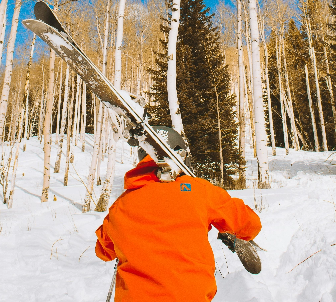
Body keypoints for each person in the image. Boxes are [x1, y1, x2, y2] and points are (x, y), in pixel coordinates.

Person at [95, 126, 261, 302]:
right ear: (181, 155)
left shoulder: (120, 206)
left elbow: (103, 251)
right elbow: (250, 224)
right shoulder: (199, 191)